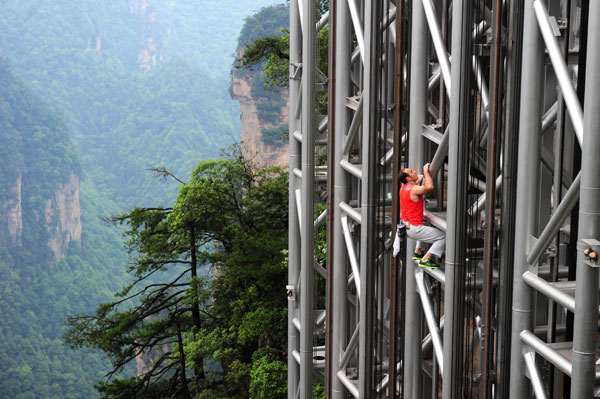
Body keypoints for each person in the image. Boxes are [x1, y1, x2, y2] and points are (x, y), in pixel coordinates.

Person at [399, 163, 446, 268]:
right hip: (415, 228)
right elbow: (429, 187)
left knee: (427, 226)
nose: (415, 171)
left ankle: (418, 251)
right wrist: (425, 172)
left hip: (406, 227)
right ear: (408, 178)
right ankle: (426, 258)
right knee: (444, 236)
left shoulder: (403, 188)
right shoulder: (414, 189)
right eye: (412, 172)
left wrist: (416, 181)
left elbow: (413, 189)